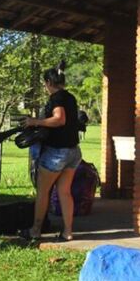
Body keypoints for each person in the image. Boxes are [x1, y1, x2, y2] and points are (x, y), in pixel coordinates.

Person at [20, 61, 82, 242]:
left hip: (57, 153)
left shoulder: (56, 99)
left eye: (44, 83)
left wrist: (35, 122)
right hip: (72, 152)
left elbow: (59, 119)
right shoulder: (70, 97)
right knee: (64, 192)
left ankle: (35, 231)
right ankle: (68, 232)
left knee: (43, 191)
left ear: (48, 82)